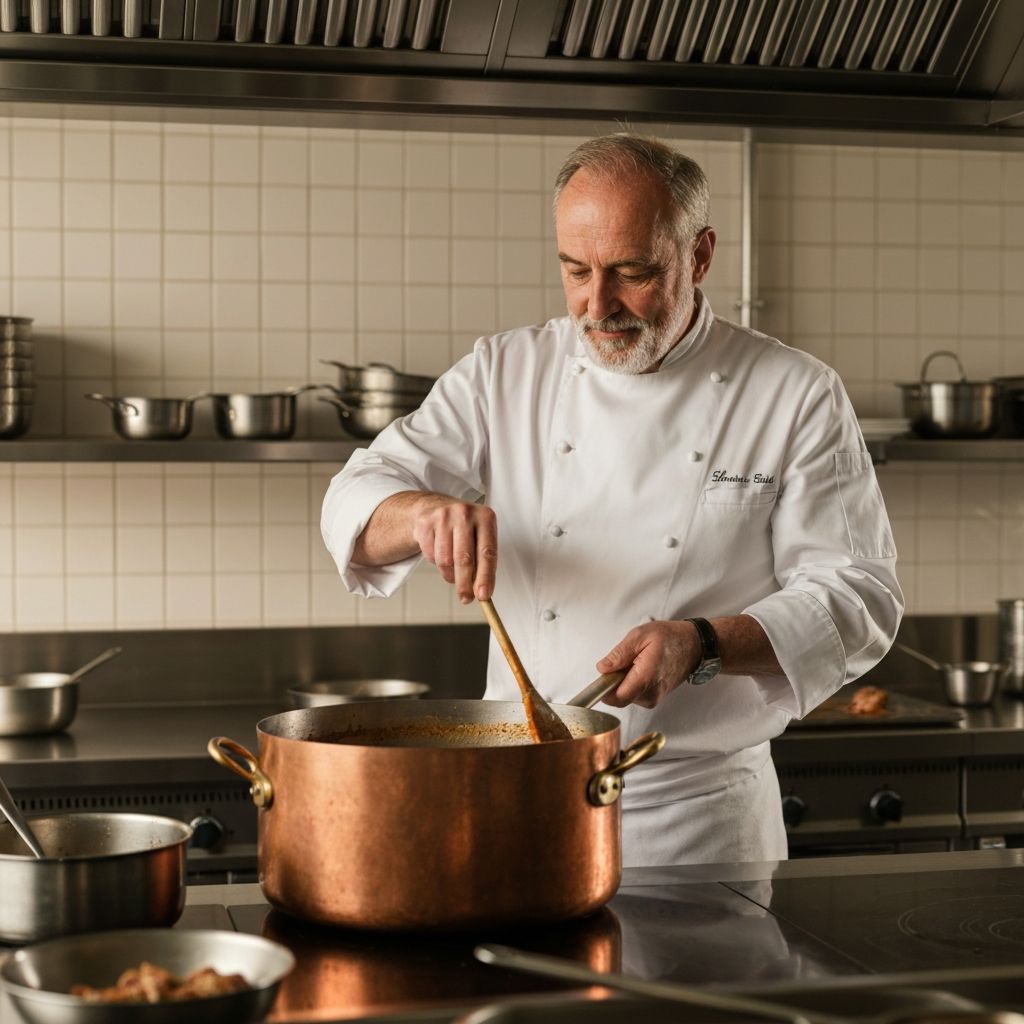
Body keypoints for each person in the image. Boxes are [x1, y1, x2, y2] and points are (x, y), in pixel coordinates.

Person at [321, 134, 903, 867]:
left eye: (632, 272)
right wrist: (420, 515)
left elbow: (861, 599)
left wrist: (705, 643)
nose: (598, 306)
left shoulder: (793, 392)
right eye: (575, 270)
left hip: (699, 821)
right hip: (527, 801)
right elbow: (356, 498)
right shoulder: (506, 371)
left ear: (699, 256)